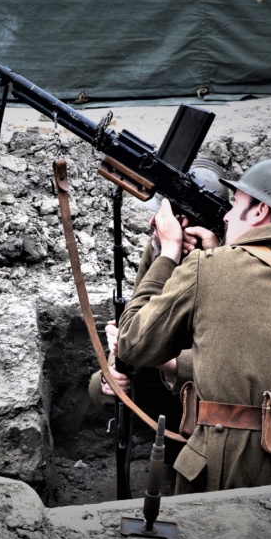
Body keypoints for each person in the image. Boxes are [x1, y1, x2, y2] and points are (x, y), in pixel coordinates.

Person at [117, 157, 271, 493]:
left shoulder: (208, 268)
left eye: (235, 205)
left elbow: (132, 342)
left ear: (260, 211)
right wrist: (221, 255)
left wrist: (168, 253)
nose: (227, 215)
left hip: (231, 470)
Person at [87, 158, 231, 414]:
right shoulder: (158, 252)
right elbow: (138, 324)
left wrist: (171, 363)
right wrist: (111, 376)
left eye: (167, 218)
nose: (153, 223)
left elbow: (231, 365)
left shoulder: (233, 268)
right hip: (164, 406)